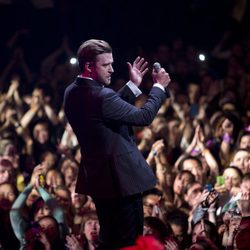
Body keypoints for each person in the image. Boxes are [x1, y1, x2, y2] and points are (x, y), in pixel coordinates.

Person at [63, 39, 171, 249]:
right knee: (128, 242)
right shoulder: (102, 95)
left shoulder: (72, 91)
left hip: (101, 181)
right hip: (122, 182)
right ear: (89, 66)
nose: (112, 69)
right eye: (106, 65)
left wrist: (132, 86)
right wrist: (158, 87)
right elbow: (144, 117)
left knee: (110, 239)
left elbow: (104, 111)